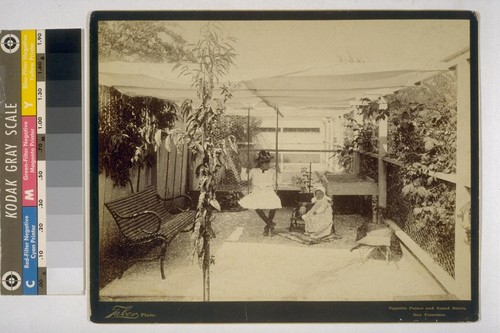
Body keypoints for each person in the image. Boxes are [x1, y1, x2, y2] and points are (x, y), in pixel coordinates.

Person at [239, 151, 282, 236]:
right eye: (265, 162)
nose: (268, 164)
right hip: (257, 191)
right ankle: (269, 224)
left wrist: (279, 172)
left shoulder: (272, 171)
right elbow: (244, 178)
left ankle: (267, 226)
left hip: (269, 191)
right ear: (261, 163)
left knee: (274, 204)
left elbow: (279, 181)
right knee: (256, 206)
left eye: (268, 162)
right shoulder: (254, 171)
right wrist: (244, 168)